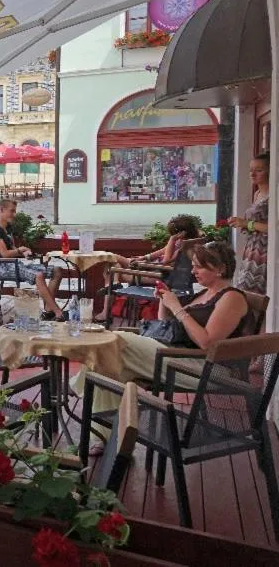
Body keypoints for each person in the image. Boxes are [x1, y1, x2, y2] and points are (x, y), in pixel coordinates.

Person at [76, 242, 254, 452]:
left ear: (221, 268)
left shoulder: (231, 297)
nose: (193, 271)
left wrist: (177, 307)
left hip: (207, 369)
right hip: (176, 355)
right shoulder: (204, 294)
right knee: (109, 367)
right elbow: (168, 327)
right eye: (193, 265)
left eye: (199, 267)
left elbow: (208, 343)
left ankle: (79, 387)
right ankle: (106, 439)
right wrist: (164, 301)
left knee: (116, 339)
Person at [94, 214, 201, 322]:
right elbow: (163, 251)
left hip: (156, 274)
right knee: (113, 264)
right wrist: (144, 258)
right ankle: (114, 287)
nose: (171, 236)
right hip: (151, 268)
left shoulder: (184, 246)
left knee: (112, 261)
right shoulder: (190, 242)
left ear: (181, 233)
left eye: (173, 234)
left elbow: (166, 261)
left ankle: (106, 310)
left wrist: (172, 240)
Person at [0, 199, 65, 320]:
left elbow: (12, 249)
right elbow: (5, 254)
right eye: (12, 211)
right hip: (2, 267)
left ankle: (49, 310)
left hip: (14, 263)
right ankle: (58, 312)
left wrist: (24, 253)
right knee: (38, 275)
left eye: (14, 211)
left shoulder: (8, 229)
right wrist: (19, 250)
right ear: (1, 210)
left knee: (57, 270)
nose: (14, 214)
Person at [230, 153, 269, 295]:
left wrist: (248, 223)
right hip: (252, 247)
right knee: (244, 288)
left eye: (259, 170)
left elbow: (273, 228)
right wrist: (244, 225)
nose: (253, 174)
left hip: (265, 249)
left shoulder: (273, 196)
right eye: (251, 169)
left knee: (256, 290)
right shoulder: (258, 194)